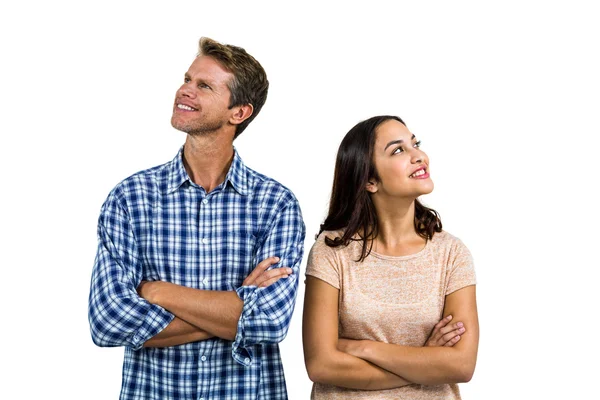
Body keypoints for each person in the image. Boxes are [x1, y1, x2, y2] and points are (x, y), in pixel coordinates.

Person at [88, 37, 305, 400]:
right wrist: (237, 306)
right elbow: (108, 322)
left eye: (203, 85)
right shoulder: (131, 198)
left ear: (239, 112)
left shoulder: (275, 204)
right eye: (187, 79)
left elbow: (271, 321)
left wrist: (157, 292)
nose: (184, 90)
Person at [303, 115, 478, 399]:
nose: (418, 156)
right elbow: (321, 364)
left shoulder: (451, 254)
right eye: (398, 150)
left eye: (415, 144)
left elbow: (461, 364)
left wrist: (363, 348)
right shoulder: (331, 251)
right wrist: (425, 361)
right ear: (370, 180)